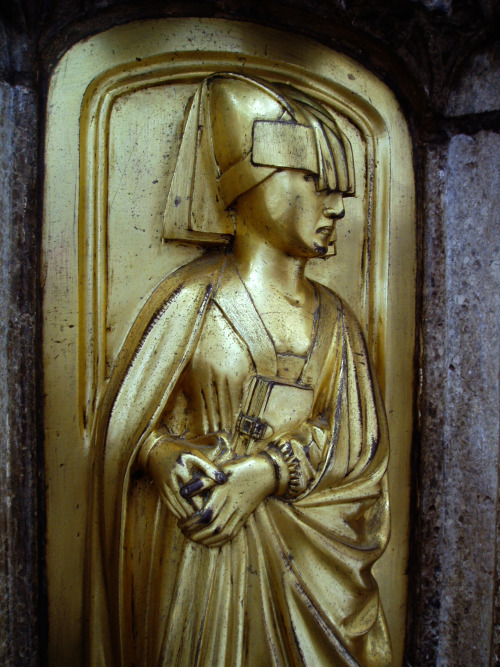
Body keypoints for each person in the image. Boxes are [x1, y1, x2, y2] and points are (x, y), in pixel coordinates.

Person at [85, 73, 391, 666]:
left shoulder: (338, 322)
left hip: (309, 574)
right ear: (254, 185)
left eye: (341, 190)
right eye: (314, 181)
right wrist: (162, 456)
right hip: (203, 561)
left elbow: (361, 451)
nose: (337, 205)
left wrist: (268, 472)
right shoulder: (190, 303)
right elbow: (127, 428)